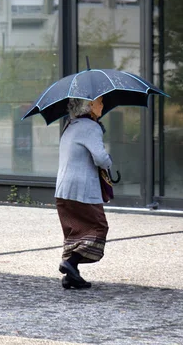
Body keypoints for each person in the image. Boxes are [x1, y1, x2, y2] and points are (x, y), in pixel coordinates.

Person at [55, 96, 112, 289]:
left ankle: (72, 276)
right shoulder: (91, 127)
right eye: (100, 102)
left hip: (63, 190)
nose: (102, 105)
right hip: (82, 189)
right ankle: (70, 263)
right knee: (98, 227)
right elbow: (100, 158)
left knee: (75, 231)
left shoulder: (70, 125)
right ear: (89, 105)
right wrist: (109, 160)